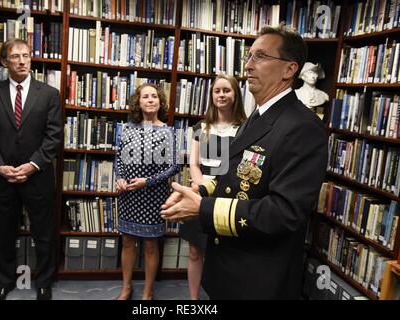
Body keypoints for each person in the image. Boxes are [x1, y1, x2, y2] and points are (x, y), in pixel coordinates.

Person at [161, 24, 328, 299]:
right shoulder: (257, 118)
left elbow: (283, 213)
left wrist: (203, 208)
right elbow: (235, 176)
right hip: (228, 267)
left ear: (289, 69)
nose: (249, 65)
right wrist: (199, 190)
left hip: (257, 279)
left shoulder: (303, 127)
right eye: (248, 57)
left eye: (260, 56)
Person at [0, 39, 62, 300]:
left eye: (26, 55)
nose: (23, 61)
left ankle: (45, 283)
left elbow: (54, 136)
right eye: (15, 57)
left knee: (44, 233)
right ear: (4, 62)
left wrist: (33, 165)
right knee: (2, 233)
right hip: (3, 178)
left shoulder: (49, 94)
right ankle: (4, 281)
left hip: (38, 176)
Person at [179, 75, 246, 300]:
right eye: (217, 91)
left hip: (229, 199)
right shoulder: (201, 127)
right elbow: (194, 164)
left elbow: (241, 168)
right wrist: (201, 185)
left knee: (224, 254)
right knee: (195, 251)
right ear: (211, 95)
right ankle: (193, 299)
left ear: (235, 94)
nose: (221, 95)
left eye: (226, 90)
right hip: (201, 195)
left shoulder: (245, 129)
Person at [114, 83, 179, 300]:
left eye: (154, 96)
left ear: (160, 102)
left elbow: (173, 167)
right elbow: (118, 158)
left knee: (151, 245)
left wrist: (148, 181)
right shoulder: (127, 129)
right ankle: (126, 287)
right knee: (127, 241)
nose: (150, 100)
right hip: (129, 195)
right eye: (145, 97)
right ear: (138, 102)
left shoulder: (168, 132)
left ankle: (148, 291)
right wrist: (120, 178)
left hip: (153, 196)